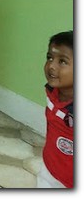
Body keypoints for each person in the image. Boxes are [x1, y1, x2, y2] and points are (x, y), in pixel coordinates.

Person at [37, 30, 73, 188]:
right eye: (49, 57)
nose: (51, 66)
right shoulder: (52, 91)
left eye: (62, 61)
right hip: (49, 169)